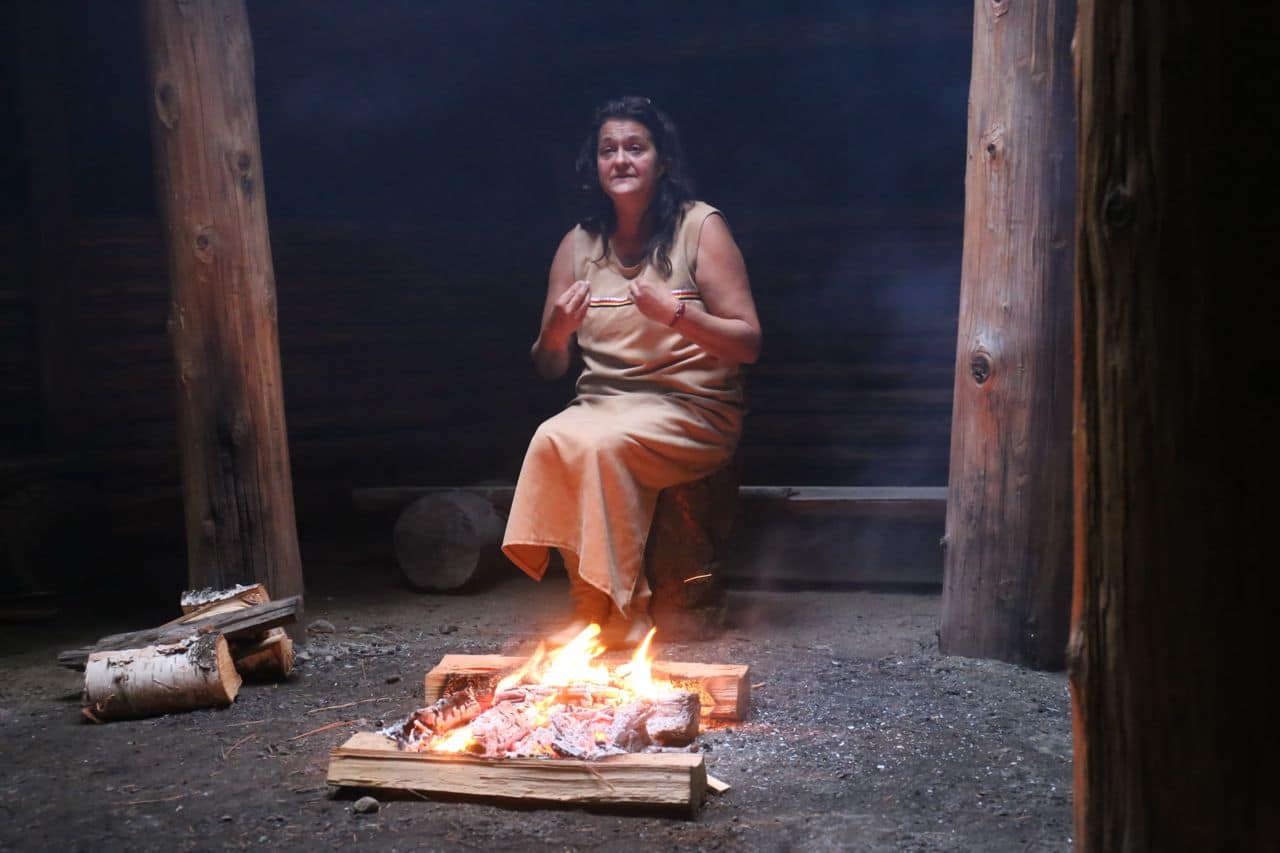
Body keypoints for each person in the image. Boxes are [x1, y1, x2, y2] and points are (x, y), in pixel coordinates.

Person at [501, 96, 762, 648]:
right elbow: (548, 365)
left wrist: (676, 314)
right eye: (608, 150)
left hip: (692, 410)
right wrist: (555, 332)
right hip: (603, 405)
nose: (620, 159)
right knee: (552, 437)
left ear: (661, 161)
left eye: (635, 148)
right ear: (595, 165)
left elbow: (748, 343)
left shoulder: (700, 227)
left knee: (602, 447)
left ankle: (624, 611)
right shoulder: (577, 245)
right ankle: (590, 607)